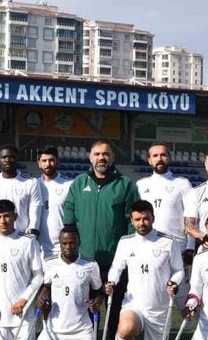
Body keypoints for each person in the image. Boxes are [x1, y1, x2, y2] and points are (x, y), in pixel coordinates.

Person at [63, 139, 140, 336]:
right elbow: (69, 221)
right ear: (90, 157)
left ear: (112, 158)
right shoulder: (79, 183)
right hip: (87, 261)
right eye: (97, 154)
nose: (101, 158)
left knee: (114, 310)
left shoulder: (125, 185)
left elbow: (132, 221)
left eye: (106, 154)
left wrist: (130, 254)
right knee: (86, 310)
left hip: (116, 261)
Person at [105, 200, 185, 340]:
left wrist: (173, 283)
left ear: (153, 218)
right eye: (137, 219)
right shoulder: (125, 242)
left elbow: (179, 270)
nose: (141, 223)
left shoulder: (168, 242)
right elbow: (116, 268)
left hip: (159, 308)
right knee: (125, 330)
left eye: (145, 218)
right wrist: (111, 282)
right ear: (131, 220)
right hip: (134, 303)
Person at [136, 142, 193, 309]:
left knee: (182, 299)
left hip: (177, 249)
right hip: (150, 249)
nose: (159, 159)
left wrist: (189, 247)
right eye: (155, 156)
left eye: (163, 155)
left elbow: (190, 217)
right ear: (149, 160)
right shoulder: (141, 185)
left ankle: (189, 331)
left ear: (169, 158)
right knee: (154, 297)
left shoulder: (182, 183)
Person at [0, 199, 44, 340]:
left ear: (15, 216)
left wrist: (24, 299)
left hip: (23, 314)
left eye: (7, 216)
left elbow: (38, 276)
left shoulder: (28, 241)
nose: (3, 221)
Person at [36, 226, 103, 340]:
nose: (68, 247)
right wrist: (42, 296)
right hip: (54, 328)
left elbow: (98, 292)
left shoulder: (91, 265)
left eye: (72, 243)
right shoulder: (49, 264)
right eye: (64, 243)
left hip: (82, 330)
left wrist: (97, 302)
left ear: (79, 243)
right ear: (60, 244)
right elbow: (47, 287)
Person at [0, 145, 42, 236]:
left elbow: (35, 213)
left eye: (11, 157)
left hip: (21, 237)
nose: (7, 160)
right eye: (4, 157)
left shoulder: (31, 182)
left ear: (17, 158)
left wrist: (31, 236)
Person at [36, 146, 74, 259]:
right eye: (44, 161)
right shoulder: (33, 185)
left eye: (51, 160)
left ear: (58, 162)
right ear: (39, 163)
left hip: (62, 247)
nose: (48, 164)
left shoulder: (69, 184)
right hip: (38, 247)